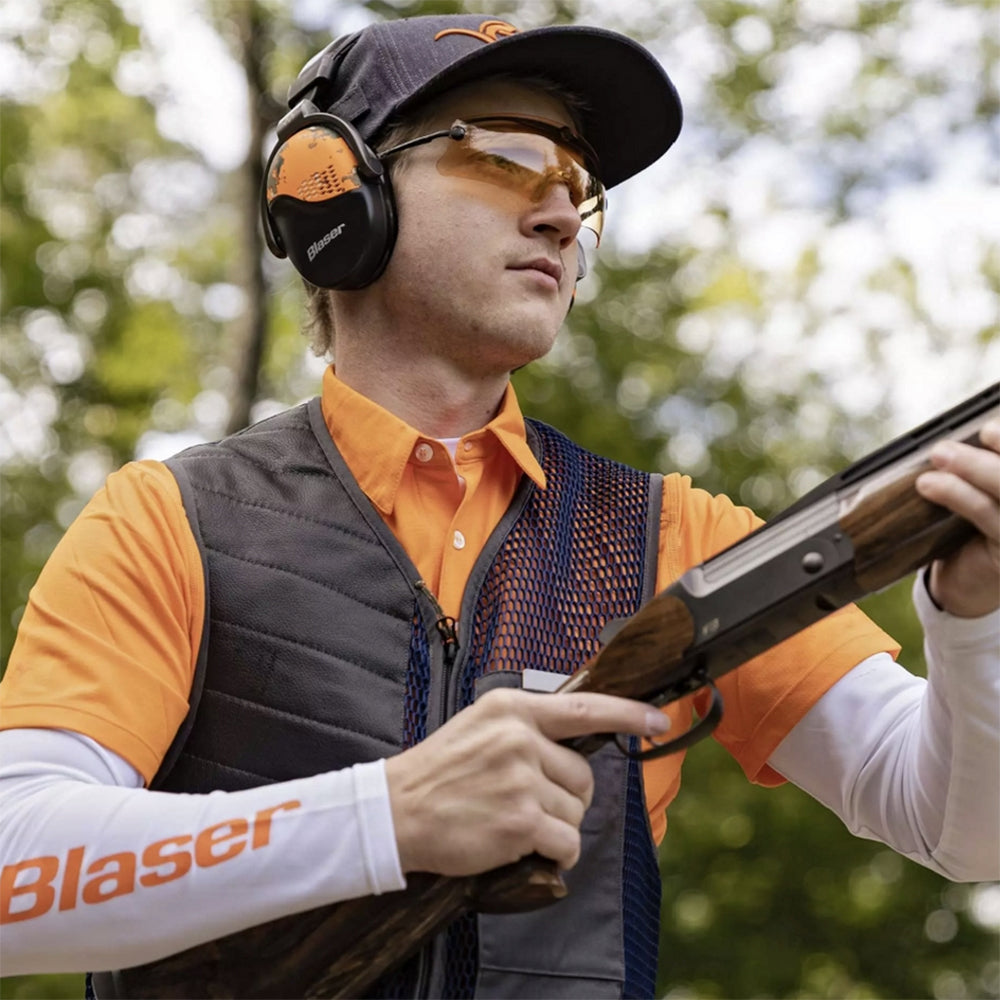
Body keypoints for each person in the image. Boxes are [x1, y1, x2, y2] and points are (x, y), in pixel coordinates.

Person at [1, 12, 997, 999]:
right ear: (335, 191)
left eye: (578, 184)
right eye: (511, 157)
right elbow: (13, 867)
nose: (562, 213)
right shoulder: (173, 518)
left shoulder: (675, 536)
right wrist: (385, 819)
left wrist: (975, 624)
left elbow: (956, 829)